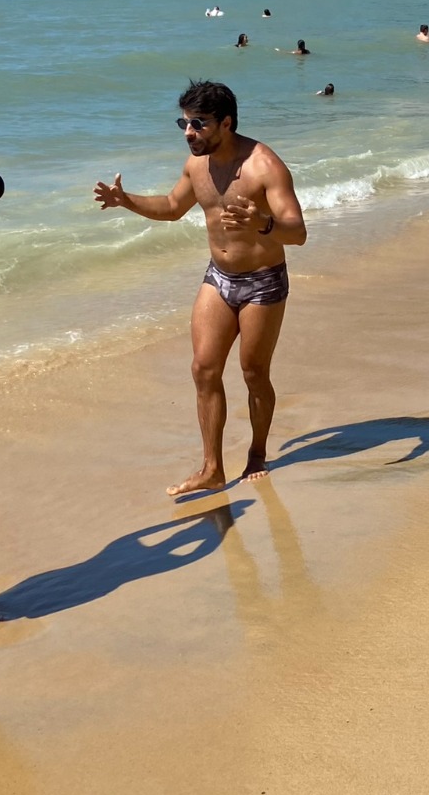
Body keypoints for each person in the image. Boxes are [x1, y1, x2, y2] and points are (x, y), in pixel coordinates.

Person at [92, 81, 307, 496]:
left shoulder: (265, 166)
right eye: (184, 124)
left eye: (198, 124)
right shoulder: (197, 166)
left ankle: (257, 453)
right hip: (219, 277)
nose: (189, 132)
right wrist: (126, 200)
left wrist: (262, 223)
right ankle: (212, 469)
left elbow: (297, 232)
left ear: (226, 123)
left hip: (263, 281)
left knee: (253, 372)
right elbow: (173, 207)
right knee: (203, 369)